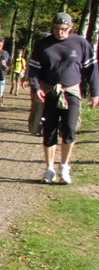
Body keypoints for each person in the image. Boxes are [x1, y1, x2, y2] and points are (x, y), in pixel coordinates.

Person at [27, 12, 99, 185]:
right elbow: (33, 68)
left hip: (71, 91)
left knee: (69, 129)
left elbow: (92, 68)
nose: (60, 32)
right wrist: (36, 88)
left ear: (70, 28)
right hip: (48, 92)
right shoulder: (44, 44)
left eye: (63, 29)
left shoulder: (80, 43)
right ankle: (49, 168)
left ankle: (65, 166)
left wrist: (95, 93)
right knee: (48, 130)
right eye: (56, 29)